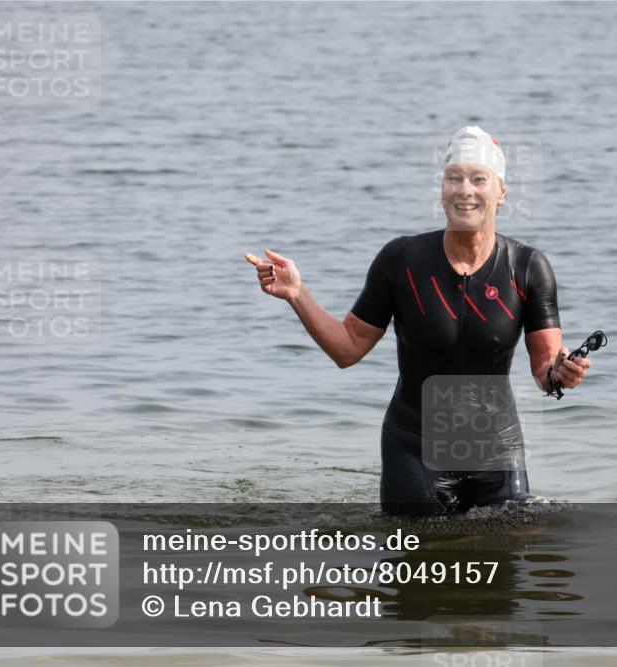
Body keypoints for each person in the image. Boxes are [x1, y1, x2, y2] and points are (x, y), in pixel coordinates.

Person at [246, 126, 591, 516]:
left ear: (501, 193)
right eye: (453, 178)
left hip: (496, 448)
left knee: (512, 547)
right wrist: (297, 293)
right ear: (441, 191)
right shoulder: (402, 260)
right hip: (413, 446)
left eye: (479, 180)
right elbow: (347, 349)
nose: (466, 190)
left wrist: (563, 372)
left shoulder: (528, 267)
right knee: (420, 561)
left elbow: (545, 370)